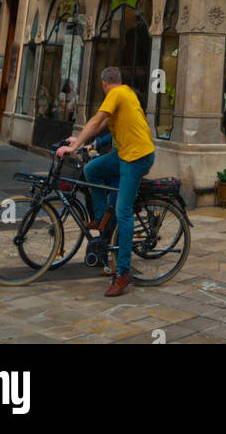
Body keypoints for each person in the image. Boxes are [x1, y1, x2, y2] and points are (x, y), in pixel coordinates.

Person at [57, 66, 155, 297]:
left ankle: (122, 273)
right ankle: (102, 219)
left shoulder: (117, 94)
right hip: (123, 154)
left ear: (104, 84)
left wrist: (73, 146)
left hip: (137, 157)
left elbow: (96, 119)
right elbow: (101, 125)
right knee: (92, 170)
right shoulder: (126, 92)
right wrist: (81, 142)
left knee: (123, 211)